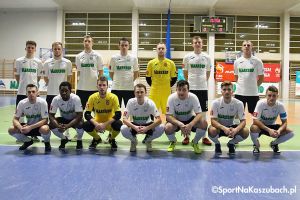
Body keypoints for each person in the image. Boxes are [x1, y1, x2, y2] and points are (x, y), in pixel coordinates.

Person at [182, 35, 212, 146]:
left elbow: (208, 73)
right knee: (189, 112)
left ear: (202, 44)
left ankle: (204, 137)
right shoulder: (187, 57)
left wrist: (202, 82)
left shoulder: (207, 57)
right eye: (195, 42)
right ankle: (187, 136)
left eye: (199, 42)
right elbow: (185, 72)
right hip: (191, 88)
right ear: (192, 44)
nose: (197, 44)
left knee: (203, 113)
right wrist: (190, 84)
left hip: (203, 89)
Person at [145, 42, 177, 143]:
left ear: (165, 50)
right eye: (159, 48)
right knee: (150, 113)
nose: (161, 50)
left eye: (163, 48)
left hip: (166, 92)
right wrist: (155, 86)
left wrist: (166, 86)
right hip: (154, 91)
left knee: (169, 114)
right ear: (156, 50)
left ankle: (170, 135)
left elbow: (174, 78)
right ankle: (149, 134)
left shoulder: (171, 63)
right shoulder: (151, 63)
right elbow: (148, 78)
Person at [165, 80, 207, 154]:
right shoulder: (171, 98)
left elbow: (199, 114)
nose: (181, 92)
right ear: (176, 90)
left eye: (184, 90)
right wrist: (180, 124)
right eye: (179, 90)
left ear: (188, 90)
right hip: (177, 120)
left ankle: (195, 142)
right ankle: (173, 141)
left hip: (190, 119)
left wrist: (190, 125)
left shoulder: (193, 97)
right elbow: (168, 116)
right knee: (167, 127)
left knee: (203, 123)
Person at [208, 81, 249, 155]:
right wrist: (224, 128)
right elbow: (213, 121)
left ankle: (231, 143)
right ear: (221, 91)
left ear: (232, 91)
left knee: (246, 131)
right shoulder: (215, 103)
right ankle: (217, 144)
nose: (227, 92)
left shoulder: (239, 103)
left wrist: (236, 130)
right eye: (224, 90)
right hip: (220, 127)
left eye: (229, 90)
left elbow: (243, 121)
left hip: (232, 128)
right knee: (211, 130)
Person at [250, 86, 294, 154]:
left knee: (290, 133)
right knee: (253, 128)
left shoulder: (280, 105)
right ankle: (256, 145)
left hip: (272, 127)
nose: (271, 98)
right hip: (261, 126)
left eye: (274, 96)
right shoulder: (260, 103)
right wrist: (269, 130)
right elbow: (255, 121)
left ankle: (274, 144)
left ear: (277, 96)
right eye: (269, 95)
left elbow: (284, 122)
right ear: (266, 95)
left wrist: (279, 131)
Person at [121, 83, 164, 152]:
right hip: (135, 125)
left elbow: (159, 120)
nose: (140, 94)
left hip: (147, 125)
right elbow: (124, 119)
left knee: (161, 127)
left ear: (145, 93)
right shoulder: (130, 102)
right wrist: (134, 127)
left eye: (142, 92)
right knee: (123, 129)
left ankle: (148, 140)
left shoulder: (150, 103)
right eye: (137, 92)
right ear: (134, 93)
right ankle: (134, 141)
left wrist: (147, 128)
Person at [82, 76, 122, 151]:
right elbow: (87, 114)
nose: (102, 87)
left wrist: (105, 124)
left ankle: (111, 139)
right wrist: (96, 124)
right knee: (85, 125)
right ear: (97, 86)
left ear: (107, 86)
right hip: (97, 123)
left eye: (104, 85)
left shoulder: (113, 97)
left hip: (109, 123)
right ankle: (97, 139)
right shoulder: (92, 97)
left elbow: (118, 114)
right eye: (100, 85)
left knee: (119, 124)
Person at [8, 84, 51, 152]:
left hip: (39, 127)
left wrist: (30, 127)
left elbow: (45, 120)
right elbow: (15, 119)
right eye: (29, 92)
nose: (31, 94)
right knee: (11, 129)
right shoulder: (22, 103)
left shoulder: (42, 102)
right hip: (28, 127)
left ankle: (47, 142)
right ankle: (28, 141)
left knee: (45, 129)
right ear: (26, 93)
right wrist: (20, 127)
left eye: (33, 91)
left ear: (37, 93)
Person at [15, 40, 43, 142]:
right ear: (25, 48)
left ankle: (34, 134)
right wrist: (23, 86)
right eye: (28, 47)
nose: (30, 49)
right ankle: (21, 133)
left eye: (32, 47)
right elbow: (17, 76)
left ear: (35, 49)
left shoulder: (39, 62)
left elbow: (38, 77)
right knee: (20, 115)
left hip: (34, 93)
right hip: (22, 91)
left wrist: (33, 88)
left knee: (35, 114)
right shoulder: (19, 61)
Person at [49, 82, 84, 150]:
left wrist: (67, 126)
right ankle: (64, 138)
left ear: (70, 91)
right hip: (63, 119)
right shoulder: (56, 99)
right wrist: (58, 126)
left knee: (81, 124)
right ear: (59, 91)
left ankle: (79, 140)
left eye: (66, 91)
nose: (64, 93)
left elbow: (80, 115)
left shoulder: (76, 98)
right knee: (51, 125)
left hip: (74, 119)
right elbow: (51, 115)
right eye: (62, 91)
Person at [234, 40, 264, 115]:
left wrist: (253, 86)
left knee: (255, 115)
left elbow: (261, 77)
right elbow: (236, 77)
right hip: (239, 93)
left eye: (248, 45)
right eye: (244, 45)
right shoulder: (237, 61)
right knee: (238, 115)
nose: (246, 47)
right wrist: (242, 86)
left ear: (251, 47)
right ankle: (238, 127)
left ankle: (255, 127)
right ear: (242, 48)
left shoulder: (258, 61)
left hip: (253, 93)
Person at [75, 35, 104, 109]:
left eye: (89, 41)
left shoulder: (98, 56)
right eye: (85, 41)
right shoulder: (78, 56)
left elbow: (101, 71)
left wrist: (100, 85)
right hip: (81, 88)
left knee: (96, 110)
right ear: (83, 43)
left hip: (94, 88)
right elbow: (78, 72)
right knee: (80, 110)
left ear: (92, 43)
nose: (87, 43)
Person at [109, 37, 139, 107]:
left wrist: (131, 81)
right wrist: (116, 81)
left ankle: (128, 119)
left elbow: (136, 72)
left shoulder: (133, 58)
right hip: (116, 88)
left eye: (126, 45)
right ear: (119, 46)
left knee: (131, 110)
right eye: (122, 45)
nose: (124, 47)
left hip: (129, 88)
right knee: (115, 110)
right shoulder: (113, 58)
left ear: (128, 46)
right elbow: (111, 73)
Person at [44, 42, 72, 110]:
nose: (57, 50)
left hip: (64, 93)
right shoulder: (47, 63)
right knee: (49, 112)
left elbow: (69, 77)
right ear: (52, 50)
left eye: (59, 49)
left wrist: (66, 88)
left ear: (62, 50)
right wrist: (51, 84)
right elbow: (45, 77)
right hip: (51, 92)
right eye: (55, 49)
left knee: (66, 113)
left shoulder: (68, 62)